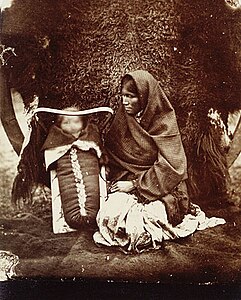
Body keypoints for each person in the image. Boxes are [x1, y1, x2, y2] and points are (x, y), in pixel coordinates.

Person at [93, 70, 225, 253]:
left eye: (131, 97)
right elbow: (115, 158)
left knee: (149, 220)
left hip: (162, 187)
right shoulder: (122, 120)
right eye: (123, 96)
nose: (125, 102)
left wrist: (134, 184)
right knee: (109, 216)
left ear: (145, 97)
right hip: (125, 182)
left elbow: (172, 166)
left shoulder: (164, 122)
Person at [41, 106, 108, 230]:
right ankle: (72, 218)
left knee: (90, 189)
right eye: (66, 122)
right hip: (67, 173)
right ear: (59, 126)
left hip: (89, 169)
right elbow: (50, 162)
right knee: (70, 193)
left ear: (83, 123)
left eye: (76, 122)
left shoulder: (90, 139)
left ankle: (93, 216)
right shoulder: (55, 142)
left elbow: (101, 157)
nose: (71, 126)